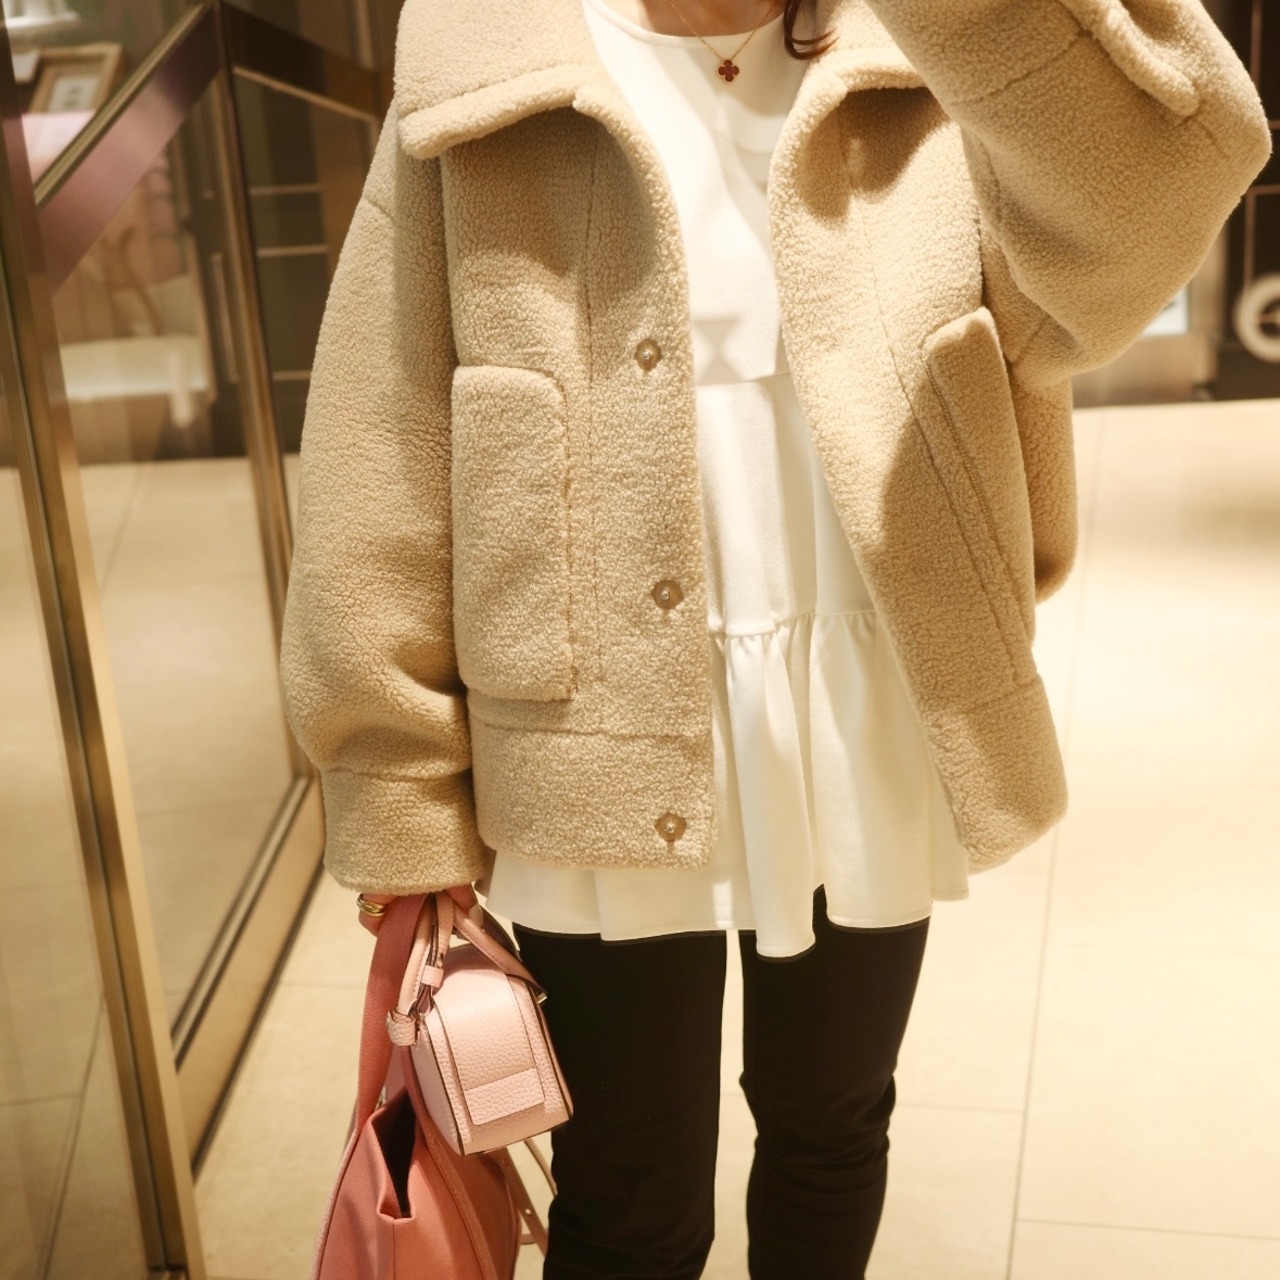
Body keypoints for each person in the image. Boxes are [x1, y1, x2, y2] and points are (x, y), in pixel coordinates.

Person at [279, 1, 1269, 1275]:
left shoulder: (923, 41)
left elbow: (1153, 200)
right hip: (587, 715)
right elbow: (381, 445)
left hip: (863, 686)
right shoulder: (496, 53)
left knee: (832, 1123)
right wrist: (396, 778)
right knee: (627, 1185)